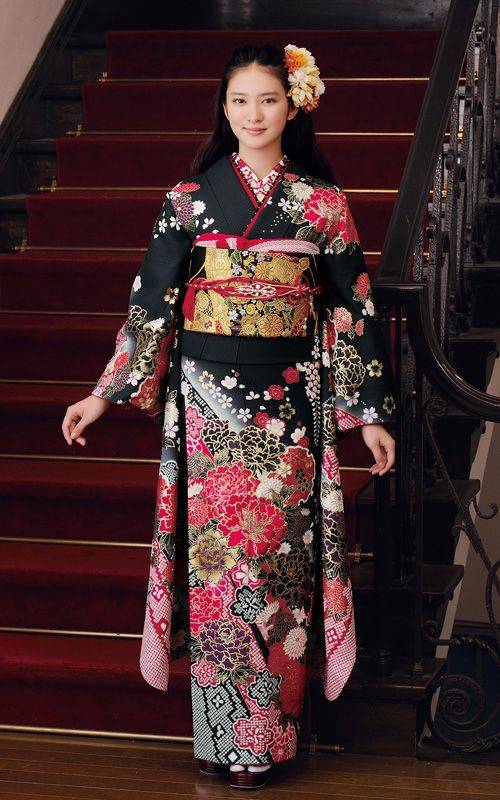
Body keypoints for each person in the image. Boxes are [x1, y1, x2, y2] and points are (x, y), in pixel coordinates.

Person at [62, 42, 397, 790]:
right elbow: (152, 304)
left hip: (288, 409)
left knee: (277, 566)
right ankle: (222, 739)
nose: (253, 114)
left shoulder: (321, 204)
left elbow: (352, 307)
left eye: (269, 100)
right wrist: (106, 390)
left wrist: (368, 413)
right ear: (224, 108)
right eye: (240, 101)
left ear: (294, 106)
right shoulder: (187, 201)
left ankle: (272, 738)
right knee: (221, 574)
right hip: (209, 403)